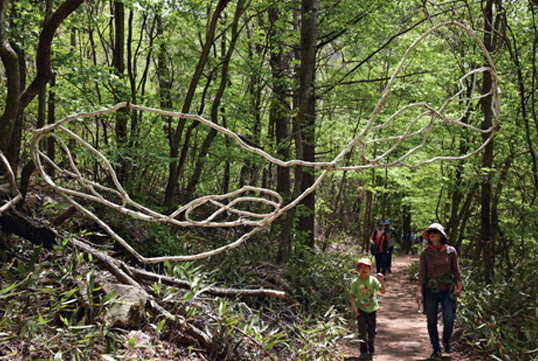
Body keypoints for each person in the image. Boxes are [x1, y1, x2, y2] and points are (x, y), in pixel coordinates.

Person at [416, 223, 462, 359]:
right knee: (431, 321)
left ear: (441, 235)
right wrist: (419, 292)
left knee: (449, 319)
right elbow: (422, 273)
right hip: (430, 291)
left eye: (435, 232)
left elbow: (455, 270)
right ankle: (436, 349)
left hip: (447, 291)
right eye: (430, 233)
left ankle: (446, 342)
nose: (432, 235)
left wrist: (459, 286)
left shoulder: (451, 251)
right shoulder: (425, 253)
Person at [350, 258, 386, 359]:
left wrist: (381, 281)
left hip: (372, 309)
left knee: (372, 330)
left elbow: (382, 291)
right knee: (361, 331)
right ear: (358, 269)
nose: (363, 269)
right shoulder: (356, 282)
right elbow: (352, 296)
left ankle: (371, 341)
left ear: (370, 269)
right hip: (360, 310)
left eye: (366, 267)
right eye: (361, 267)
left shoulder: (373, 280)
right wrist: (354, 308)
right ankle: (363, 350)